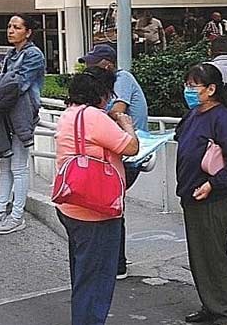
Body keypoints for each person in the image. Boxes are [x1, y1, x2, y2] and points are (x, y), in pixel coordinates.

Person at [55, 67, 139, 325]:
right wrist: (126, 124)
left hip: (71, 204)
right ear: (102, 94)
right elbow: (131, 147)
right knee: (97, 280)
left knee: (83, 274)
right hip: (97, 210)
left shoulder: (68, 115)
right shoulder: (94, 117)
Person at [175, 63, 227, 325]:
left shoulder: (224, 119)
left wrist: (213, 184)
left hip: (212, 198)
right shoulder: (194, 114)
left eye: (193, 86)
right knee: (199, 255)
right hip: (191, 195)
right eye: (187, 85)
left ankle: (224, 313)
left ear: (211, 89)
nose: (188, 91)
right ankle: (210, 304)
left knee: (214, 256)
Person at [79, 43, 149, 279]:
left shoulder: (122, 79)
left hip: (128, 154)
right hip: (114, 152)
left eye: (93, 64)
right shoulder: (106, 83)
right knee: (107, 206)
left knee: (111, 206)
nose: (89, 69)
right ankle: (110, 260)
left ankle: (117, 262)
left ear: (107, 65)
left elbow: (117, 111)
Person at [0, 14, 46, 235]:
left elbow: (15, 85)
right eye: (9, 26)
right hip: (5, 112)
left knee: (19, 168)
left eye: (16, 27)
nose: (10, 30)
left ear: (28, 32)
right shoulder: (12, 54)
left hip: (22, 114)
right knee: (5, 165)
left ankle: (16, 216)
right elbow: (4, 83)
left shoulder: (33, 55)